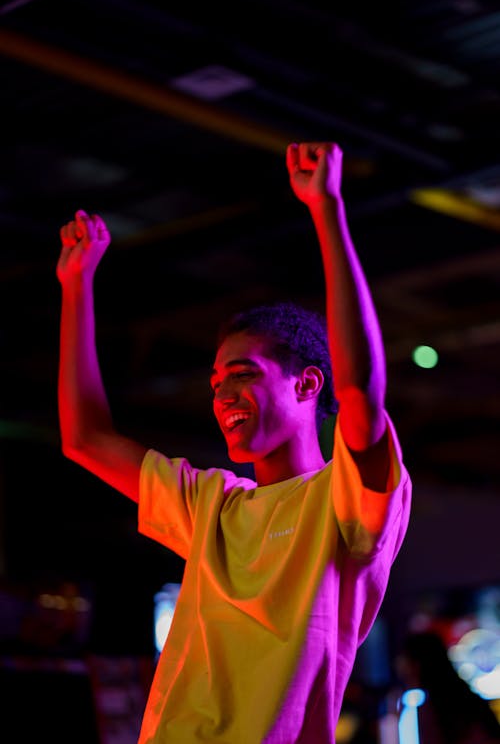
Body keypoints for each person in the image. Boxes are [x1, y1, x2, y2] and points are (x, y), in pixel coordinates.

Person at [57, 141, 412, 743]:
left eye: (243, 375)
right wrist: (76, 286)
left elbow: (362, 394)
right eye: (216, 382)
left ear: (306, 384)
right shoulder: (211, 504)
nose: (221, 396)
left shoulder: (346, 501)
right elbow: (85, 438)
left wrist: (327, 210)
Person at [395, 630, 500, 744]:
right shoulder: (458, 698)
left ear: (417, 664)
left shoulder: (440, 705)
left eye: (404, 659)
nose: (398, 666)